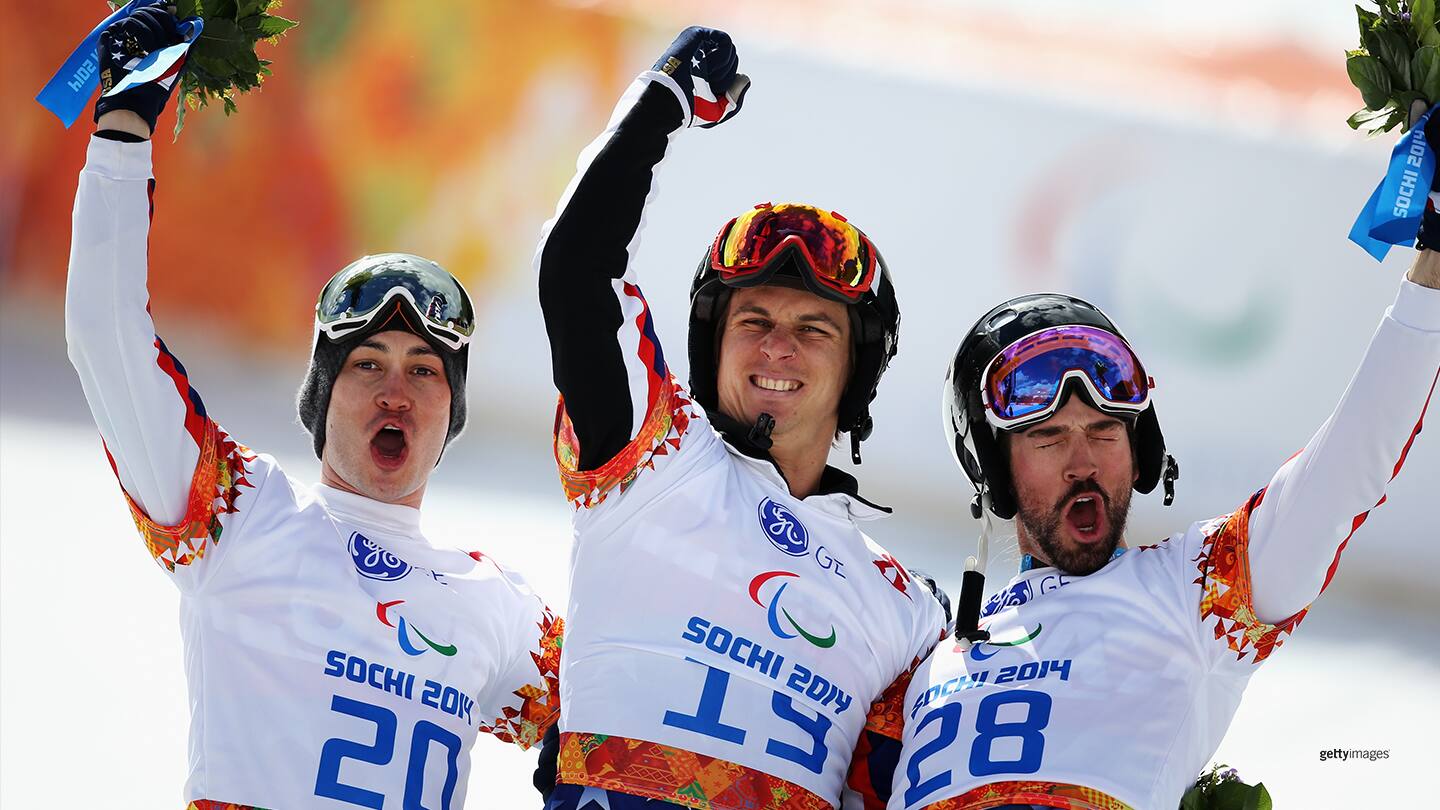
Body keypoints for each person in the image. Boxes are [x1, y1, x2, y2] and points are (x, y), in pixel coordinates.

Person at [64, 8, 561, 808]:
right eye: (366, 364)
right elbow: (105, 337)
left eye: (426, 371)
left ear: (451, 415)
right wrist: (122, 127)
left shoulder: (499, 606)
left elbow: (639, 725)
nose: (395, 390)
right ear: (321, 397)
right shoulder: (238, 518)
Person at [533, 26, 947, 810]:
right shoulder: (651, 461)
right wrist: (664, 102)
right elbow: (575, 268)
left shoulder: (907, 610)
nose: (777, 349)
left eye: (813, 329)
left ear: (855, 369)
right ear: (711, 348)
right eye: (752, 321)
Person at [881, 241, 1440, 804]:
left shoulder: (1193, 591)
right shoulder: (926, 661)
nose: (1084, 463)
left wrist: (1434, 257)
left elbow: (1346, 466)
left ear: (1140, 453)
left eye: (1105, 432)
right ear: (995, 474)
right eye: (1047, 437)